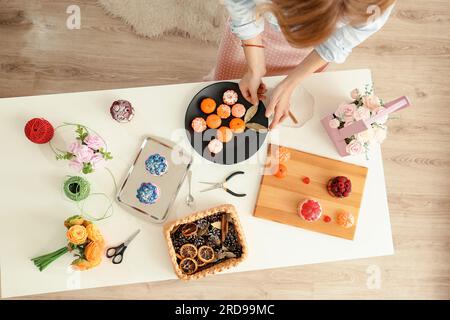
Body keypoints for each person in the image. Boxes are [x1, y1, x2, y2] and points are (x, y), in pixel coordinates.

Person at [215, 0, 395, 128]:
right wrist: (255, 66)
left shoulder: (373, 6)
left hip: (311, 53)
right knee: (224, 82)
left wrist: (289, 84)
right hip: (253, 23)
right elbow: (239, 3)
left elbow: (336, 45)